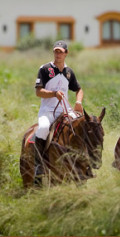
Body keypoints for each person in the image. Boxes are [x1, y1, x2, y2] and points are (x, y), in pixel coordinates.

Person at [33, 40, 84, 185]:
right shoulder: (45, 69)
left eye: (61, 52)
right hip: (48, 110)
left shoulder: (69, 72)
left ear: (66, 53)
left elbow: (79, 89)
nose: (58, 54)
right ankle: (39, 166)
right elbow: (38, 92)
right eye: (56, 51)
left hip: (66, 110)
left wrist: (78, 102)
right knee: (42, 129)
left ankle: (83, 165)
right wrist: (54, 94)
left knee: (82, 127)